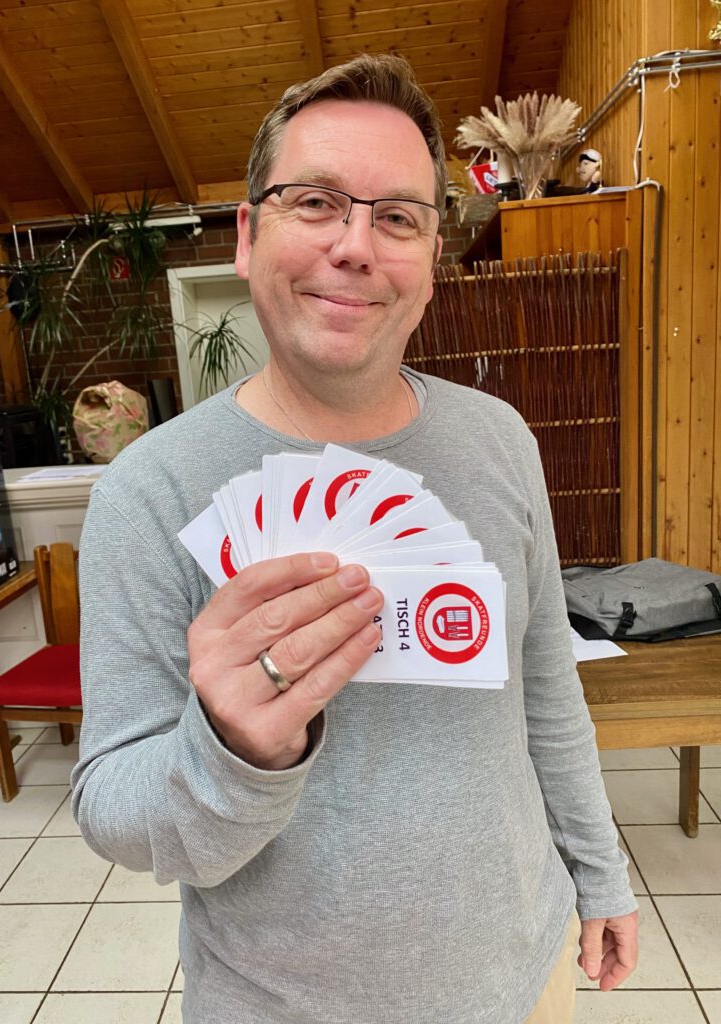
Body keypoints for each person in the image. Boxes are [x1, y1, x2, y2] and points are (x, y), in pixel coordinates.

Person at [72, 54, 638, 1024]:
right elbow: (111, 809)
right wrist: (232, 750)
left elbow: (547, 685)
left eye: (399, 217)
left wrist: (600, 869)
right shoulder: (145, 493)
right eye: (316, 202)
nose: (356, 246)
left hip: (521, 979)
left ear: (432, 262)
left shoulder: (502, 440)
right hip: (277, 1006)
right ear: (247, 236)